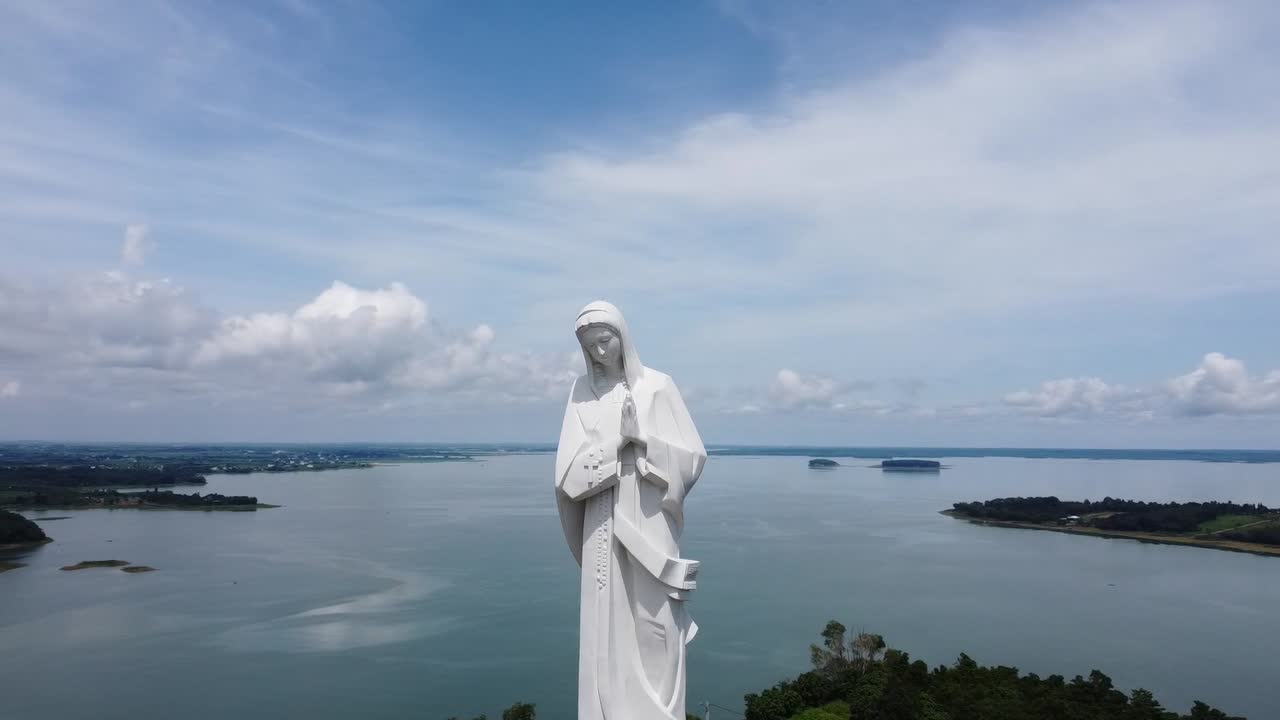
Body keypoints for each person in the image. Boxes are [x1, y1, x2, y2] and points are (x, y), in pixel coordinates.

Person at [554, 300, 707, 720]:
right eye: (590, 347)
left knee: (657, 621)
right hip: (601, 519)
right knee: (606, 623)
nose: (600, 353)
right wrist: (614, 446)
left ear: (623, 335)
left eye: (605, 341)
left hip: (649, 517)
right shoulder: (580, 393)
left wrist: (643, 441)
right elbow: (566, 474)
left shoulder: (659, 387)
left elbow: (694, 456)